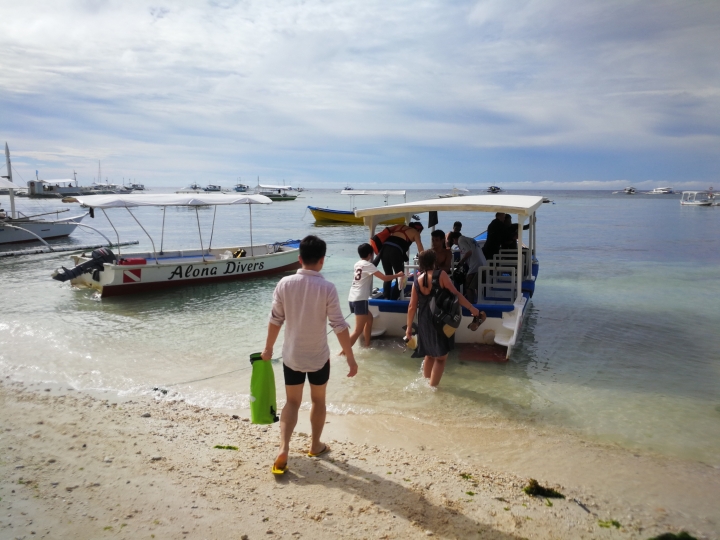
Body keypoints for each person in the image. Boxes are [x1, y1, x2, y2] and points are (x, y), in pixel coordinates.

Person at [261, 235, 357, 475]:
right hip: (318, 358)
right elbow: (339, 326)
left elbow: (275, 320)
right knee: (318, 401)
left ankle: (284, 447)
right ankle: (315, 445)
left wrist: (268, 349)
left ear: (299, 258)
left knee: (292, 402)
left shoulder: (284, 283)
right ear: (322, 261)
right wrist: (351, 357)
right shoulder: (327, 287)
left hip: (291, 355)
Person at [405, 250, 482, 388]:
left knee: (428, 354)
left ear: (421, 263)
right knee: (440, 358)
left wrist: (409, 328)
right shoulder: (441, 275)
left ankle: (425, 383)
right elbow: (456, 294)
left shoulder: (418, 280)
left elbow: (411, 306)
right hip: (440, 320)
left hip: (424, 320)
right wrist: (472, 308)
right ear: (434, 261)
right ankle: (433, 389)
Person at [348, 243, 404, 348]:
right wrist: (398, 275)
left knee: (369, 320)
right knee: (357, 330)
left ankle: (367, 345)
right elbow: (385, 278)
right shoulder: (369, 265)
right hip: (360, 299)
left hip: (352, 297)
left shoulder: (357, 264)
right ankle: (343, 352)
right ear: (370, 254)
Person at [377, 222, 424, 300]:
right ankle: (393, 299)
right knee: (401, 277)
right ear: (418, 229)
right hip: (395, 252)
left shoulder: (400, 226)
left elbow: (387, 229)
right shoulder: (416, 232)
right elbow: (420, 247)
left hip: (384, 249)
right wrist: (424, 260)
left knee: (388, 275)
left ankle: (386, 298)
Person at [448, 232, 487, 303]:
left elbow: (469, 252)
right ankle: (476, 302)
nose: (455, 244)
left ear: (454, 239)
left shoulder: (461, 240)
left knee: (468, 285)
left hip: (475, 265)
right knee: (476, 285)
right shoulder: (470, 239)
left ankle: (470, 304)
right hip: (483, 263)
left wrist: (461, 262)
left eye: (453, 242)